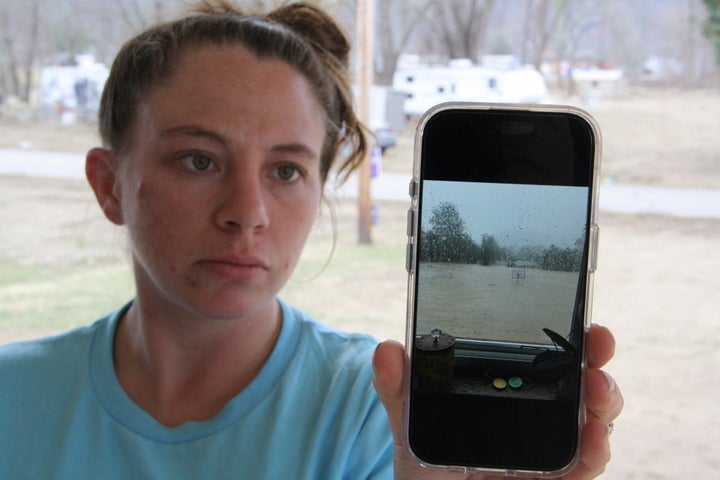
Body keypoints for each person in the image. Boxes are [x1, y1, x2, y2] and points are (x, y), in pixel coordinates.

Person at [0, 1, 623, 478]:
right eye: (198, 160)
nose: (248, 214)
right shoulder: (13, 397)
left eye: (286, 170)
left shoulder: (384, 419)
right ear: (110, 186)